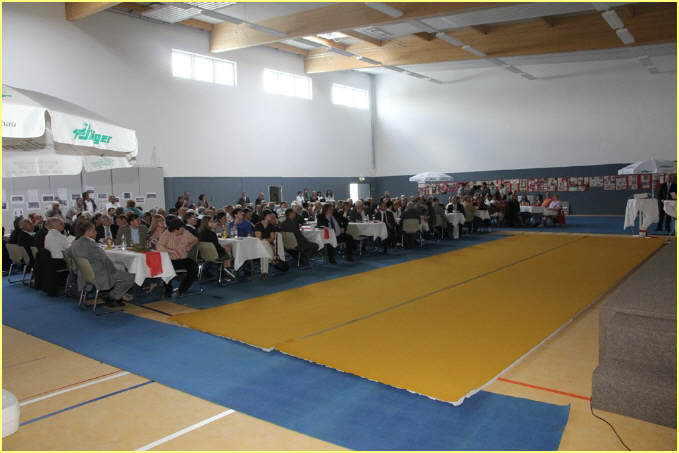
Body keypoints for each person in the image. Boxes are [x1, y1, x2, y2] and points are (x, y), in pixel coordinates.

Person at [69, 221, 135, 306]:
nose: (96, 232)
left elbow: (69, 254)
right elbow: (105, 260)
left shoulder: (75, 243)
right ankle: (113, 296)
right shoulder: (91, 245)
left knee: (119, 270)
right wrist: (114, 270)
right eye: (94, 230)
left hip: (84, 274)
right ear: (88, 232)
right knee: (131, 277)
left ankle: (114, 295)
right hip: (99, 275)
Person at [156, 216, 200, 297]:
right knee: (166, 268)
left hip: (183, 258)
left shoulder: (185, 233)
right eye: (182, 229)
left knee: (194, 267)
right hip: (170, 259)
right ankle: (168, 290)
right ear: (176, 229)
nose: (184, 230)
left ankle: (182, 289)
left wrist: (190, 246)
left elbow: (195, 239)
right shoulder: (167, 234)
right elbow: (159, 246)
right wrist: (172, 251)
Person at [254, 210, 281, 279]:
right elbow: (258, 238)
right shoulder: (258, 225)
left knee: (264, 251)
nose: (271, 216)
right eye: (269, 215)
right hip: (258, 245)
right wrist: (267, 242)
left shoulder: (271, 226)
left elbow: (272, 238)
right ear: (264, 216)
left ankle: (264, 273)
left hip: (267, 245)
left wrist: (266, 241)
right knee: (263, 243)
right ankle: (272, 258)